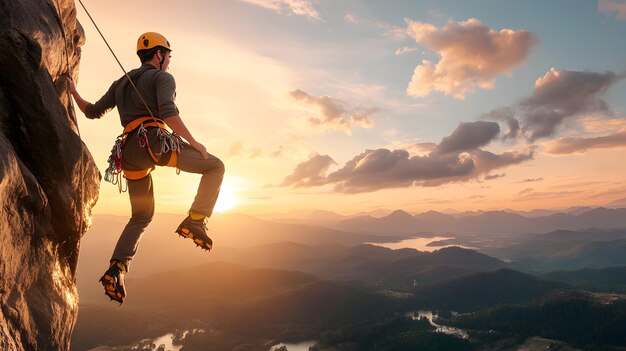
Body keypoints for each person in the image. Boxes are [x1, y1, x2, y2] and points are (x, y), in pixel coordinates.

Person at [68, 32, 225, 304]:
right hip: (153, 143)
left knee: (142, 216)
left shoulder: (122, 82)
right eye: (169, 56)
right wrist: (193, 142)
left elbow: (92, 111)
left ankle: (117, 268)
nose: (169, 62)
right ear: (159, 54)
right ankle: (196, 220)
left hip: (128, 153)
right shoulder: (163, 77)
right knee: (215, 167)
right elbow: (167, 111)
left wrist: (72, 92)